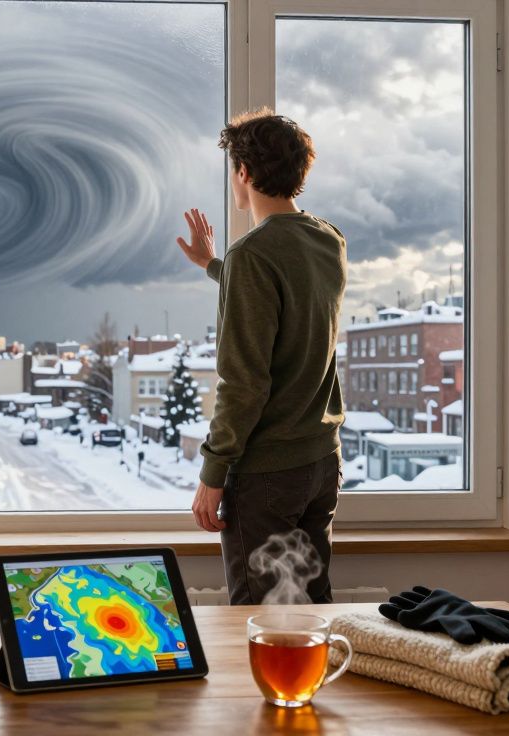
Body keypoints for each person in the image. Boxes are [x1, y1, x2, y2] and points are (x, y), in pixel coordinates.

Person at [176, 109, 346, 605]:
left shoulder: (253, 255)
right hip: (320, 462)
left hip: (270, 474)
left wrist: (211, 474)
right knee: (312, 614)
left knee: (260, 624)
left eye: (234, 167)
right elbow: (288, 303)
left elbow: (243, 383)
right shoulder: (327, 239)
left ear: (244, 173)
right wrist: (213, 264)